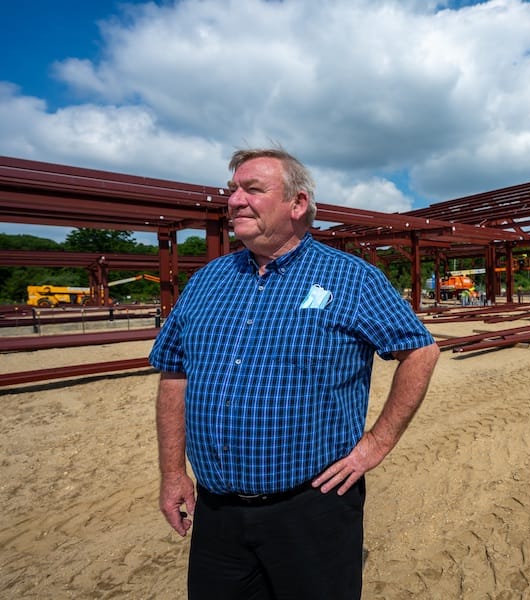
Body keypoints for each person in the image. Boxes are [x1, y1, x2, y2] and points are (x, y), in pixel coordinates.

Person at [149, 147, 439, 599]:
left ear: (297, 203)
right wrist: (172, 473)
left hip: (313, 508)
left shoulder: (352, 278)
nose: (234, 200)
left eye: (252, 189)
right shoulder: (206, 281)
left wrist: (375, 445)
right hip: (218, 513)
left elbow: (420, 351)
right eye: (232, 191)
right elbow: (174, 374)